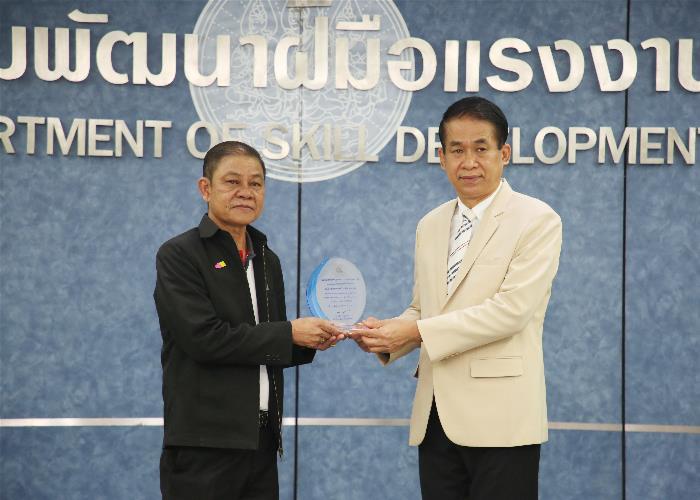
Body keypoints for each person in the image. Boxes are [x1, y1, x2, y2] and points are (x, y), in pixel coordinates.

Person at [352, 97, 562, 500]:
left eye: (481, 149)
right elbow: (423, 308)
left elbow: (510, 312)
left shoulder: (537, 220)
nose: (469, 162)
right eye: (457, 150)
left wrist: (414, 331)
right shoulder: (430, 224)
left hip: (501, 420)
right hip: (435, 418)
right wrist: (385, 335)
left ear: (504, 153)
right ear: (442, 158)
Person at [154, 140, 344, 500]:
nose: (246, 192)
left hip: (261, 442)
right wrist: (290, 333)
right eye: (232, 182)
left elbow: (266, 345)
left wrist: (313, 340)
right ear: (205, 189)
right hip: (204, 446)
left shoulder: (267, 259)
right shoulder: (179, 254)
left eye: (255, 183)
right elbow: (205, 340)